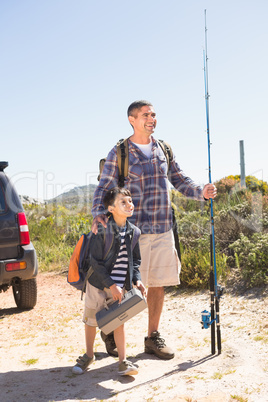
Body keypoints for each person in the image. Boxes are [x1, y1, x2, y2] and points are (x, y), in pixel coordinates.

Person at [91, 100, 217, 360]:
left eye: (154, 114)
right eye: (145, 115)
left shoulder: (163, 149)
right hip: (131, 232)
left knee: (157, 285)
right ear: (132, 119)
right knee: (125, 286)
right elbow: (104, 187)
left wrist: (201, 192)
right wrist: (97, 214)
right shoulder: (121, 152)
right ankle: (112, 330)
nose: (152, 118)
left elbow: (180, 180)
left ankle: (152, 337)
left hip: (162, 227)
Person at [72, 186, 146, 376]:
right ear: (111, 208)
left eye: (130, 200)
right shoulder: (103, 228)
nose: (129, 204)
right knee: (91, 321)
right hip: (97, 283)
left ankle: (123, 361)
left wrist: (137, 280)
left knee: (118, 322)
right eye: (123, 201)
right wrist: (111, 285)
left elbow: (135, 260)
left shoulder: (134, 232)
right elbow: (95, 262)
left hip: (118, 288)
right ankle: (89, 355)